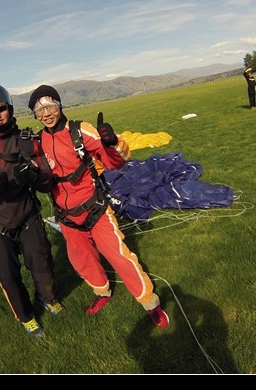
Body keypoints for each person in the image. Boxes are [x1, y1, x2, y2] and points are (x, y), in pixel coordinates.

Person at [28, 84, 170, 330]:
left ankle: (150, 303)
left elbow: (116, 162)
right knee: (81, 259)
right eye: (39, 111)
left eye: (50, 106)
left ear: (59, 106)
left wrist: (112, 142)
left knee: (118, 255)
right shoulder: (38, 141)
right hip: (66, 215)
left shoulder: (80, 131)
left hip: (95, 207)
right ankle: (102, 292)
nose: (46, 114)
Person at [0, 83, 63, 339]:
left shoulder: (27, 142)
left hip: (27, 215)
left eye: (2, 108)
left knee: (43, 265)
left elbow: (47, 183)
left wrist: (33, 176)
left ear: (10, 108)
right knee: (8, 276)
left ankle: (47, 299)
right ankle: (26, 317)